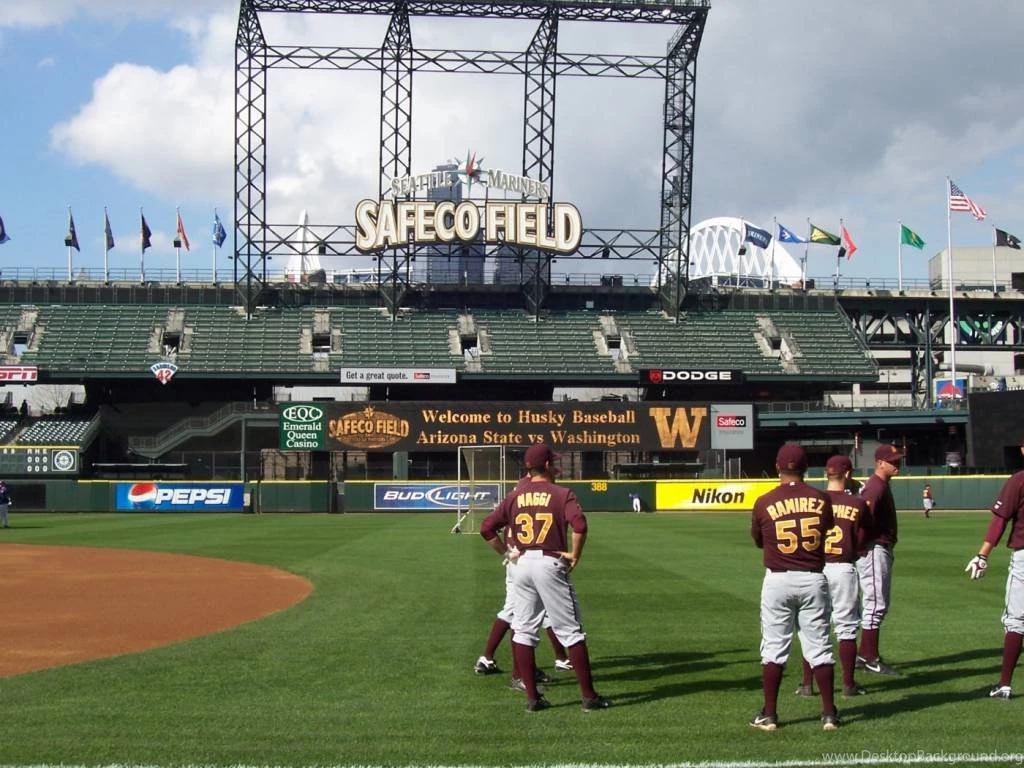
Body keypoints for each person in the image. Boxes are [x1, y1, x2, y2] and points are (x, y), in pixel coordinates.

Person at [480, 442, 610, 712]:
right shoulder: (561, 493)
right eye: (554, 462)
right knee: (571, 631)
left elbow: (487, 528)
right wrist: (575, 554)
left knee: (523, 629)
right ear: (548, 465)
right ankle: (589, 697)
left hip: (521, 563)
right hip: (549, 563)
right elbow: (580, 524)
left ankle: (532, 699)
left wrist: (506, 553)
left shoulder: (515, 495)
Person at [749, 443, 839, 732]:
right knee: (819, 646)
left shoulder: (764, 501)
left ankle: (770, 715)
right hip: (813, 577)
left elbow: (759, 540)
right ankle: (828, 714)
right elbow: (825, 529)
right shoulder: (821, 498)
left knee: (774, 648)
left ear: (777, 467)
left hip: (778, 578)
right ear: (806, 468)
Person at [796, 455, 868, 699]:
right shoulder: (857, 503)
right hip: (843, 568)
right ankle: (848, 685)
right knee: (846, 628)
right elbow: (862, 541)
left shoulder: (813, 501)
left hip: (816, 568)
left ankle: (807, 684)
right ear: (847, 474)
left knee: (813, 627)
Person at [964, 439, 1024, 699]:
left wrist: (982, 555)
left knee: (1016, 621)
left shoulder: (1019, 480)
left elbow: (1000, 521)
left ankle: (1005, 684)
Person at [856, 444, 903, 676]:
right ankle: (869, 657)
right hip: (873, 549)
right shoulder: (875, 487)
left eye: (898, 460)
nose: (897, 464)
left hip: (879, 548)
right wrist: (860, 548)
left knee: (877, 605)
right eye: (892, 461)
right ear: (879, 463)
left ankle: (865, 655)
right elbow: (863, 521)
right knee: (875, 604)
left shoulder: (881, 485)